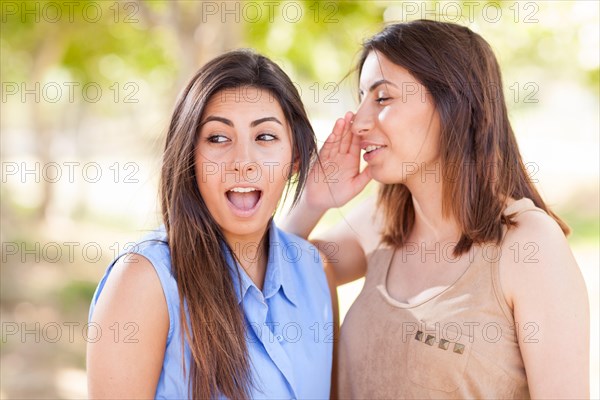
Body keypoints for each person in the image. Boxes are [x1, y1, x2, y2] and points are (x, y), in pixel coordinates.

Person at [283, 20, 590, 398]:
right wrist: (312, 203)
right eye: (361, 97)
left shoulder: (530, 247)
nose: (358, 121)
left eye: (382, 98)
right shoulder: (381, 222)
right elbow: (284, 272)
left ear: (453, 105)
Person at [87, 49, 336, 399]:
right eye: (218, 138)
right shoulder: (144, 281)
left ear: (295, 158)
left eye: (265, 137)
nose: (243, 162)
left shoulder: (315, 271)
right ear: (189, 156)